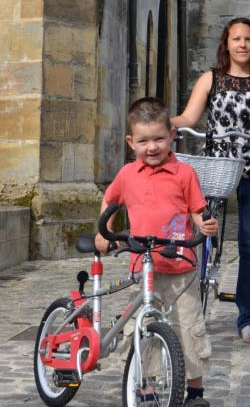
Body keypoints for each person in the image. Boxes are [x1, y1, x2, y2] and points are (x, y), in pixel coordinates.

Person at [95, 97, 219, 407]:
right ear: (131, 142)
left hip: (182, 266)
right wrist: (103, 230)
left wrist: (205, 226)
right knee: (146, 327)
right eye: (143, 141)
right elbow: (110, 202)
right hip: (145, 267)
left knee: (189, 328)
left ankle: (195, 391)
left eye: (159, 139)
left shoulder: (184, 173)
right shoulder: (127, 175)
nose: (152, 147)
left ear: (172, 136)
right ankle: (147, 387)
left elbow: (196, 209)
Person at [172, 17, 250, 343]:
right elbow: (190, 117)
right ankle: (192, 307)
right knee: (197, 237)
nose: (243, 45)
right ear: (227, 44)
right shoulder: (211, 78)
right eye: (237, 39)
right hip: (216, 168)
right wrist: (164, 124)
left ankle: (246, 316)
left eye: (248, 39)